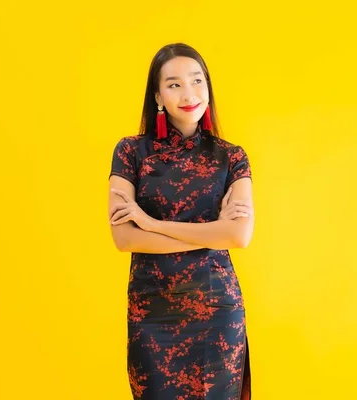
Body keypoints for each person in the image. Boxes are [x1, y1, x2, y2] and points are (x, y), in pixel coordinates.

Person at [108, 42, 254, 400]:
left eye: (197, 81)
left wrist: (152, 223)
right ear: (157, 94)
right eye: (174, 84)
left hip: (218, 311)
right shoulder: (130, 152)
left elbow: (238, 235)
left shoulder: (231, 156)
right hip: (152, 312)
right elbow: (126, 238)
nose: (189, 93)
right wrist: (211, 232)